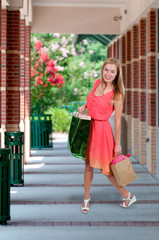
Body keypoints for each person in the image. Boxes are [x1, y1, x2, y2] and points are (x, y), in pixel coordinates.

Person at [78, 57, 136, 214]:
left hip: (103, 132)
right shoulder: (97, 83)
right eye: (106, 70)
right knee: (88, 165)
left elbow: (117, 121)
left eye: (112, 71)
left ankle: (127, 195)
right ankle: (86, 199)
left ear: (117, 75)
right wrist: (84, 105)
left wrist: (118, 144)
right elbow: (92, 100)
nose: (108, 74)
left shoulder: (117, 95)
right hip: (90, 128)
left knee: (107, 169)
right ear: (102, 69)